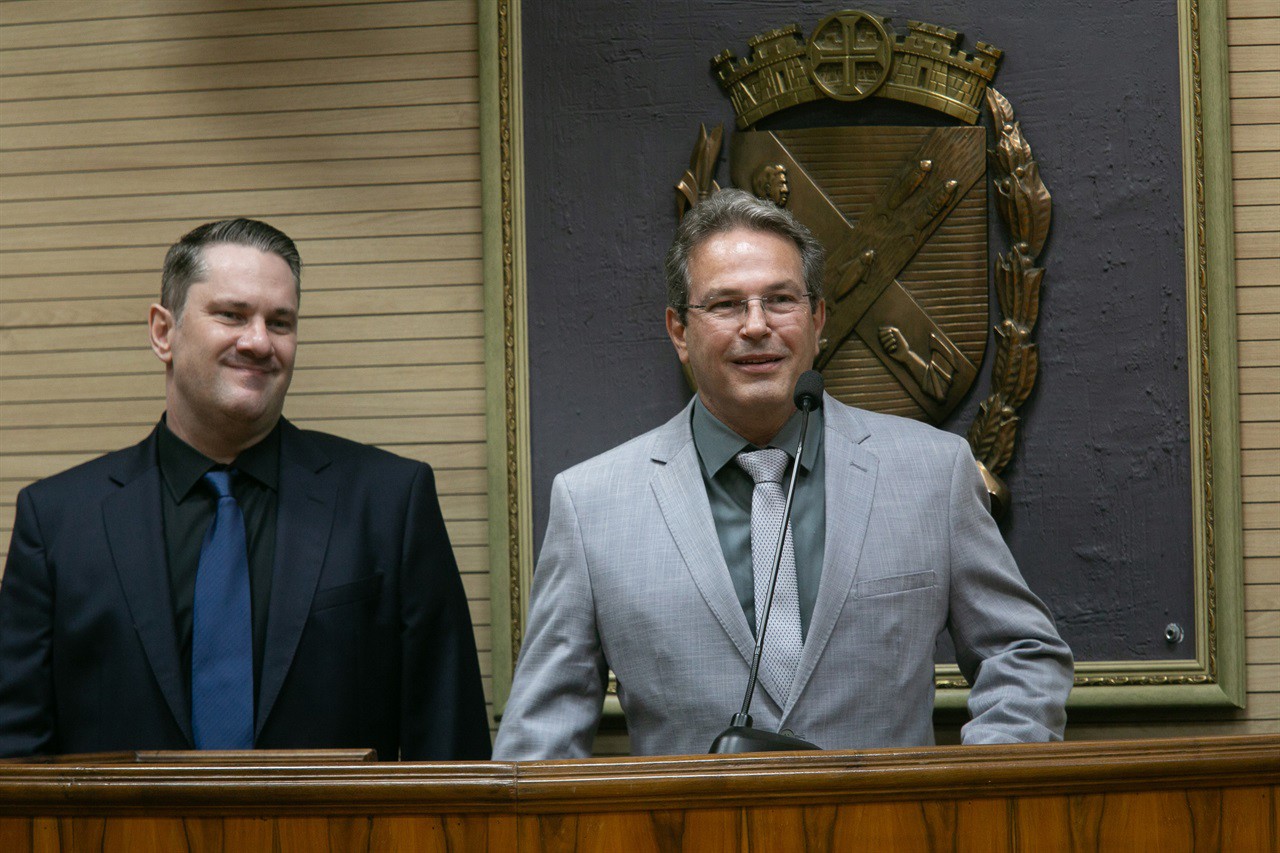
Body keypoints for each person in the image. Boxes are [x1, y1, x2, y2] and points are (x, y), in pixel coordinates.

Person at [494, 189, 1072, 758]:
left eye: (780, 300)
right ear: (678, 332)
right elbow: (539, 740)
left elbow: (1022, 652)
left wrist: (976, 793)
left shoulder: (932, 472)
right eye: (725, 304)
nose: (756, 325)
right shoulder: (591, 504)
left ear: (817, 320)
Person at [0, 218, 491, 760]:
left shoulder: (390, 503)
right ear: (164, 332)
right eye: (231, 315)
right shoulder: (58, 522)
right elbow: (15, 760)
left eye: (280, 322)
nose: (258, 342)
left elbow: (450, 748)